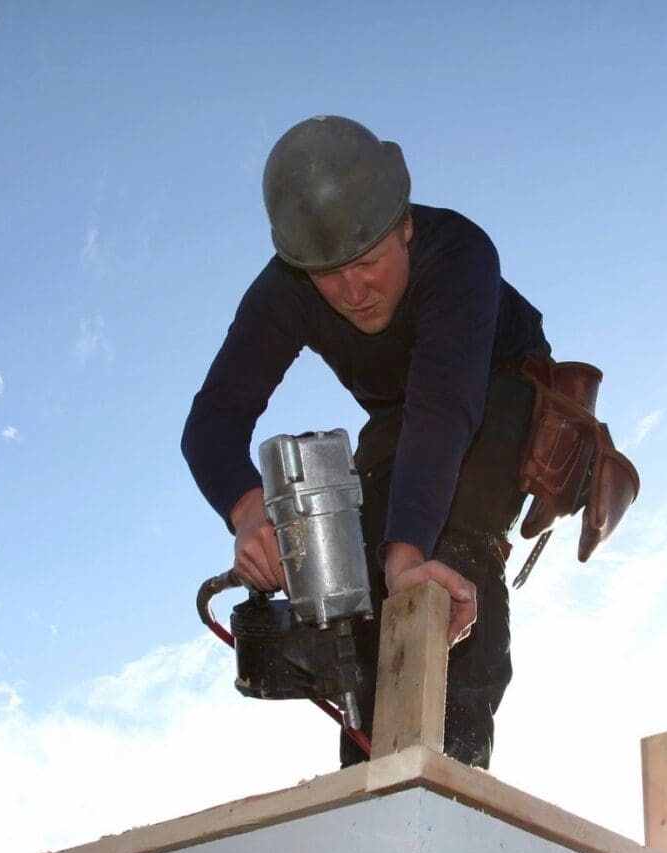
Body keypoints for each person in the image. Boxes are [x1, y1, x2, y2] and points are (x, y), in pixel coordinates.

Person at [181, 115, 551, 770]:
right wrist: (248, 513)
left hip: (490, 387)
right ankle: (369, 772)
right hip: (402, 417)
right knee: (366, 575)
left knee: (439, 539)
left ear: (405, 225)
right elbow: (211, 420)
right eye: (330, 275)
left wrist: (409, 559)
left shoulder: (460, 254)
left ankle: (449, 764)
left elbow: (444, 409)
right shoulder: (288, 287)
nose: (354, 292)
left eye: (370, 263)